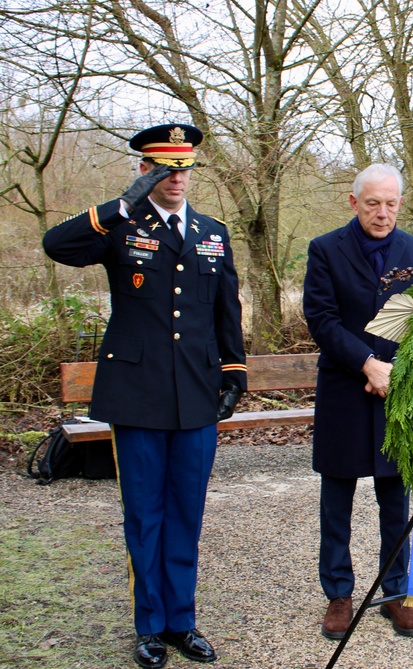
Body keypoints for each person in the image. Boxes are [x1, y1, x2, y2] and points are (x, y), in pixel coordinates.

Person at [43, 124, 246, 668]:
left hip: (197, 395)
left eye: (182, 169)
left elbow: (227, 309)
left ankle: (182, 621)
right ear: (144, 170)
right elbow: (55, 244)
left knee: (187, 513)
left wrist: (234, 375)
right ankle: (149, 625)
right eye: (162, 168)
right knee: (145, 514)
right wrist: (119, 204)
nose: (175, 178)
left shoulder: (212, 232)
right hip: (136, 396)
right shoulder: (120, 225)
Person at [303, 164, 413, 640]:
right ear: (354, 202)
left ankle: (395, 592)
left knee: (394, 498)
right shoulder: (325, 249)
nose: (382, 212)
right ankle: (339, 592)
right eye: (373, 202)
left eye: (391, 203)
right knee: (337, 499)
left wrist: (394, 371)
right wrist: (367, 364)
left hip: (395, 393)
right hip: (344, 388)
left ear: (400, 202)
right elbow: (321, 318)